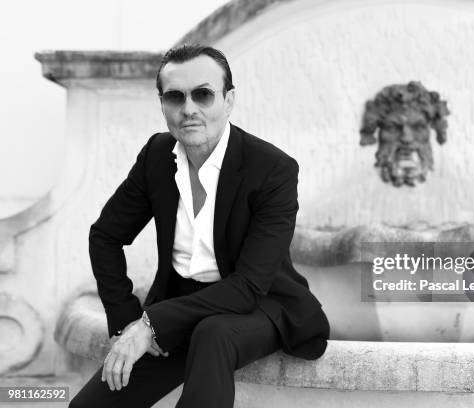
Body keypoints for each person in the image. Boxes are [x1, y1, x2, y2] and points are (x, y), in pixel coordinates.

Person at [70, 44, 329, 408]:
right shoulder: (157, 157)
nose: (188, 109)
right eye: (175, 97)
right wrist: (127, 322)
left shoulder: (272, 169)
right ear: (162, 104)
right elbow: (105, 237)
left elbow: (248, 286)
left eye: (203, 94)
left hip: (258, 307)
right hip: (176, 311)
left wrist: (151, 323)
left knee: (214, 333)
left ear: (229, 100)